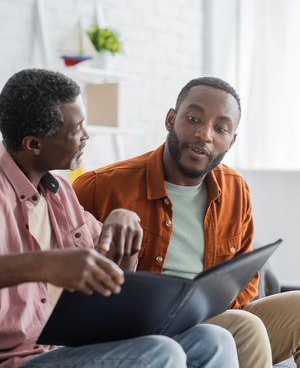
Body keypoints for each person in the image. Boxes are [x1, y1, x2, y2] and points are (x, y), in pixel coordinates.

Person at [0, 69, 239, 368]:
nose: (87, 135)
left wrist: (126, 234)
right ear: (34, 144)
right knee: (161, 352)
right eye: (76, 130)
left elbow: (112, 278)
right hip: (20, 359)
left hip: (69, 345)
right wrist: (46, 264)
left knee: (213, 340)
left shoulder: (59, 193)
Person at [74, 76, 300, 368]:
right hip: (145, 332)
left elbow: (245, 276)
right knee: (244, 328)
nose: (204, 135)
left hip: (219, 318)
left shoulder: (236, 189)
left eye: (220, 128)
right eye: (193, 119)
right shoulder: (100, 186)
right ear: (170, 119)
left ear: (231, 141)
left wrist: (214, 312)